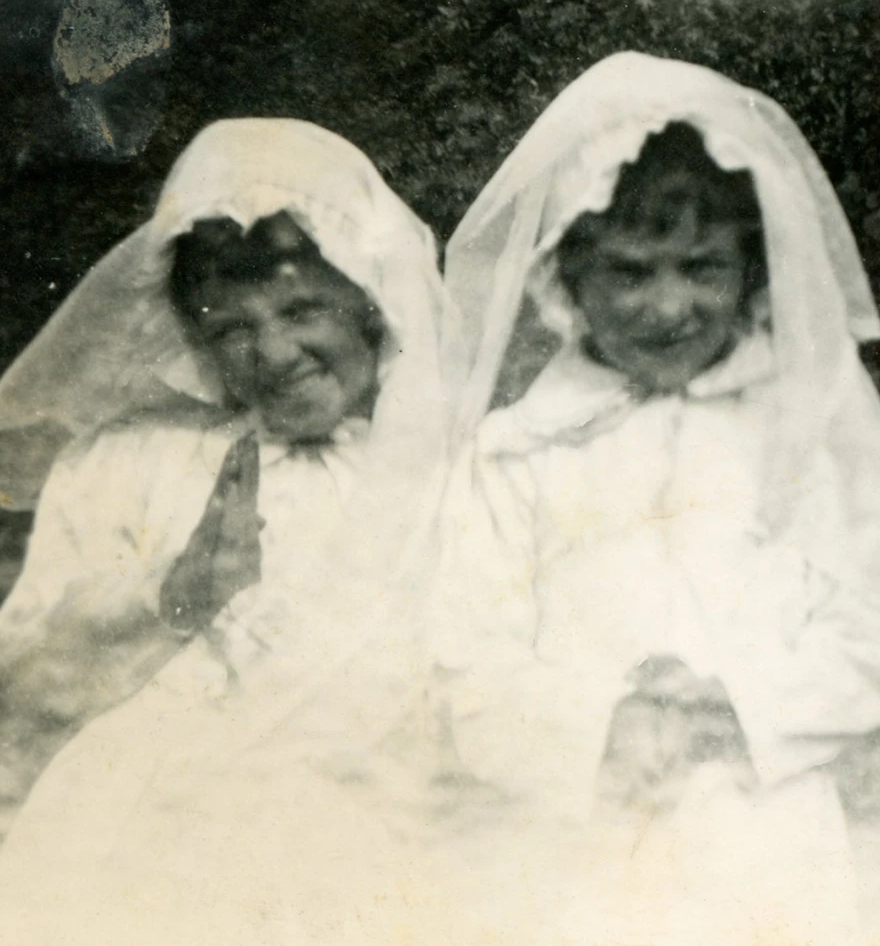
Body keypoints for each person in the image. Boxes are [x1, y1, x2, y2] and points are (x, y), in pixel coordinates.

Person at [433, 51, 880, 944]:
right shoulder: (518, 450)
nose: (671, 307)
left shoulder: (814, 432)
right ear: (567, 279)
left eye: (702, 266)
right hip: (577, 829)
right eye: (632, 272)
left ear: (751, 269)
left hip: (776, 827)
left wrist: (733, 706)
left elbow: (867, 624)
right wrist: (606, 723)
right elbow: (466, 655)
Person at [0, 118, 452, 843]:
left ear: (373, 302)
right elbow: (23, 692)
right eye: (232, 330)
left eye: (302, 310)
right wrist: (171, 598)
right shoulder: (129, 461)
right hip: (152, 826)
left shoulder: (465, 466)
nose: (274, 353)